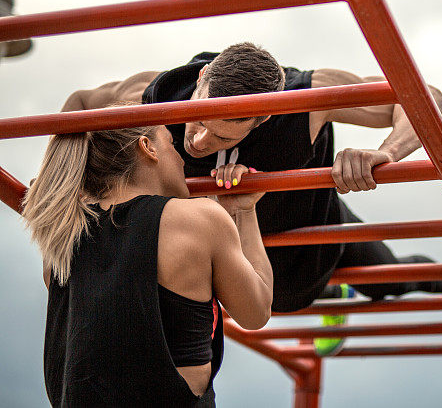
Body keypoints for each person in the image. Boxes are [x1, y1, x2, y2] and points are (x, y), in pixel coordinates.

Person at [62, 42, 442, 355]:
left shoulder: (306, 100)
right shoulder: (161, 91)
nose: (198, 141)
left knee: (384, 279)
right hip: (238, 248)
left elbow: (427, 96)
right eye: (196, 120)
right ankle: (333, 299)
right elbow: (80, 104)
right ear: (203, 81)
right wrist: (60, 187)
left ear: (263, 117)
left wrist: (386, 152)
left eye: (224, 135)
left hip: (313, 231)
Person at [22, 118, 273, 406]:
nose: (182, 159)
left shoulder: (60, 237)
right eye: (171, 144)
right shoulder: (198, 218)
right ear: (147, 148)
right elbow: (257, 311)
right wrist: (246, 210)